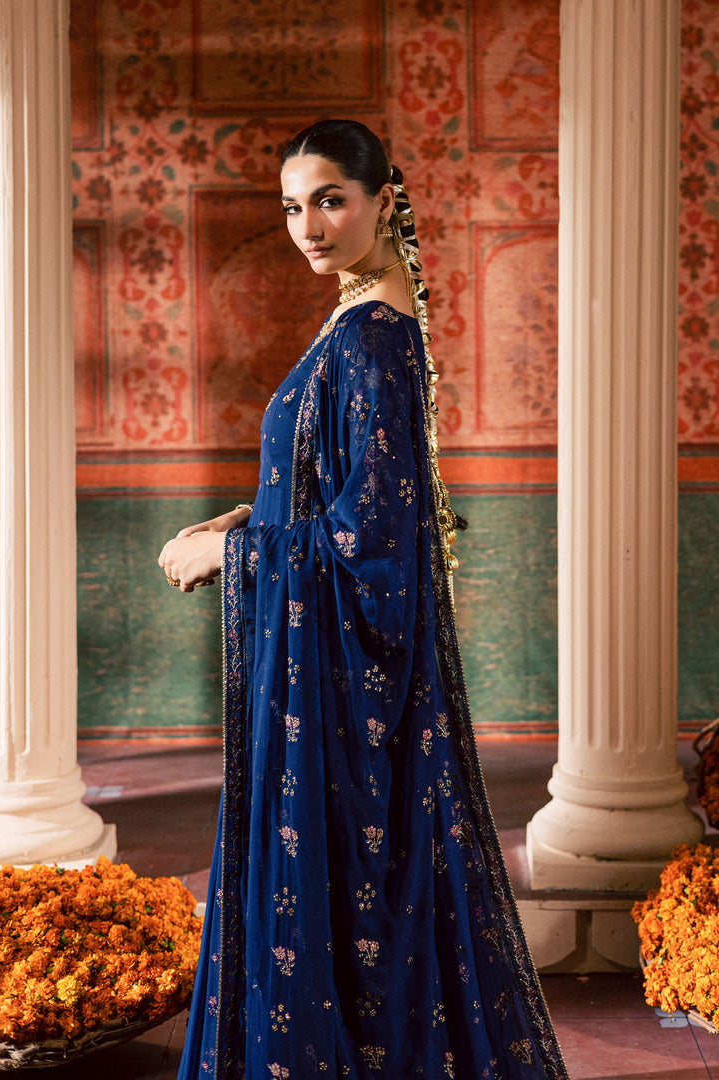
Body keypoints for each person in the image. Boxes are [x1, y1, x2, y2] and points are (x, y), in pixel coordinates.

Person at [159, 119, 568, 1080]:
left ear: (385, 200)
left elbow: (372, 540)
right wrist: (242, 520)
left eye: (331, 200)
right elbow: (339, 487)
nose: (308, 226)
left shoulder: (375, 337)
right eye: (293, 206)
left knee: (345, 894)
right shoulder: (357, 318)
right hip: (321, 662)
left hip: (339, 683)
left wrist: (231, 556)